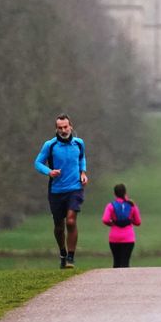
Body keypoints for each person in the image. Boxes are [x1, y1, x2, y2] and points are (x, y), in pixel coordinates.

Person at [34, 114, 88, 269]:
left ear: (71, 126)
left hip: (75, 188)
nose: (63, 130)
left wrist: (83, 173)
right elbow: (37, 163)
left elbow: (82, 158)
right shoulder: (50, 145)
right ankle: (63, 253)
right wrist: (49, 172)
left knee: (71, 221)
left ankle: (71, 257)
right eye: (60, 128)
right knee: (59, 226)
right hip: (56, 190)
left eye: (65, 127)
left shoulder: (79, 143)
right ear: (56, 129)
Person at [101, 183, 142, 268]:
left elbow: (105, 219)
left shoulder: (110, 206)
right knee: (125, 263)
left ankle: (115, 280)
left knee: (116, 262)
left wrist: (112, 223)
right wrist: (129, 220)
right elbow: (138, 222)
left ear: (115, 194)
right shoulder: (132, 205)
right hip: (128, 238)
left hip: (114, 238)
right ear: (125, 192)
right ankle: (125, 280)